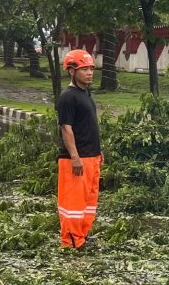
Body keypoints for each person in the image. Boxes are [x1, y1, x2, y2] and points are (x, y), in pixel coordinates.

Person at [57, 49, 103, 249]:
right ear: (71, 71)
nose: (90, 73)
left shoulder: (86, 94)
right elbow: (66, 128)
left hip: (91, 157)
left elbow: (88, 125)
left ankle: (82, 236)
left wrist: (98, 151)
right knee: (73, 204)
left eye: (91, 68)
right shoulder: (68, 97)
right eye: (84, 69)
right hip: (76, 160)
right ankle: (71, 241)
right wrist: (75, 157)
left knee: (89, 201)